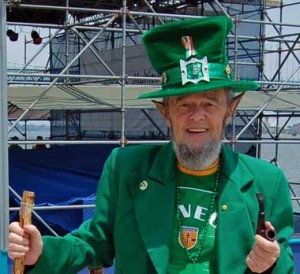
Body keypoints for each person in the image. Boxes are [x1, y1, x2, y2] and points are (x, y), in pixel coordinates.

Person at [8, 16, 295, 274]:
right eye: (183, 105)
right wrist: (41, 252)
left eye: (210, 103)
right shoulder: (126, 168)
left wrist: (270, 263)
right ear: (164, 111)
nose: (197, 116)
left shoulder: (267, 182)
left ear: (230, 109)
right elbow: (94, 243)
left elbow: (283, 264)